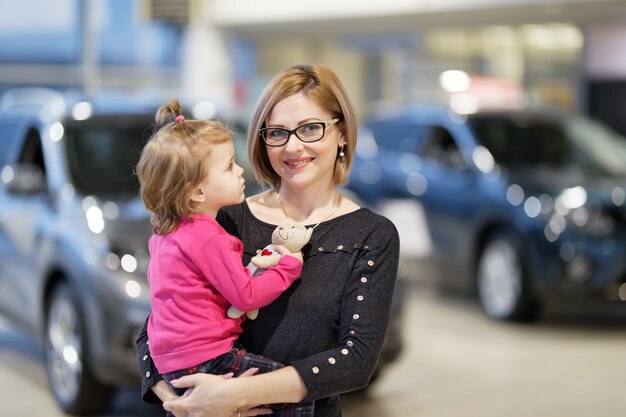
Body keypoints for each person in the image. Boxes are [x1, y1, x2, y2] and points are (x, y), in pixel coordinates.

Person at [136, 63, 400, 417]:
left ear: (341, 133)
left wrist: (236, 394)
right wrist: (179, 400)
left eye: (310, 128)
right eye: (277, 132)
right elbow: (154, 330)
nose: (292, 146)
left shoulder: (371, 235)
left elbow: (356, 359)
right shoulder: (223, 218)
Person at [135, 98, 314, 416]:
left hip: (172, 365)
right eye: (230, 166)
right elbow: (246, 295)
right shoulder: (207, 237)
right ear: (197, 192)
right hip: (207, 358)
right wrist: (289, 265)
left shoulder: (164, 235)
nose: (240, 169)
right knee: (298, 395)